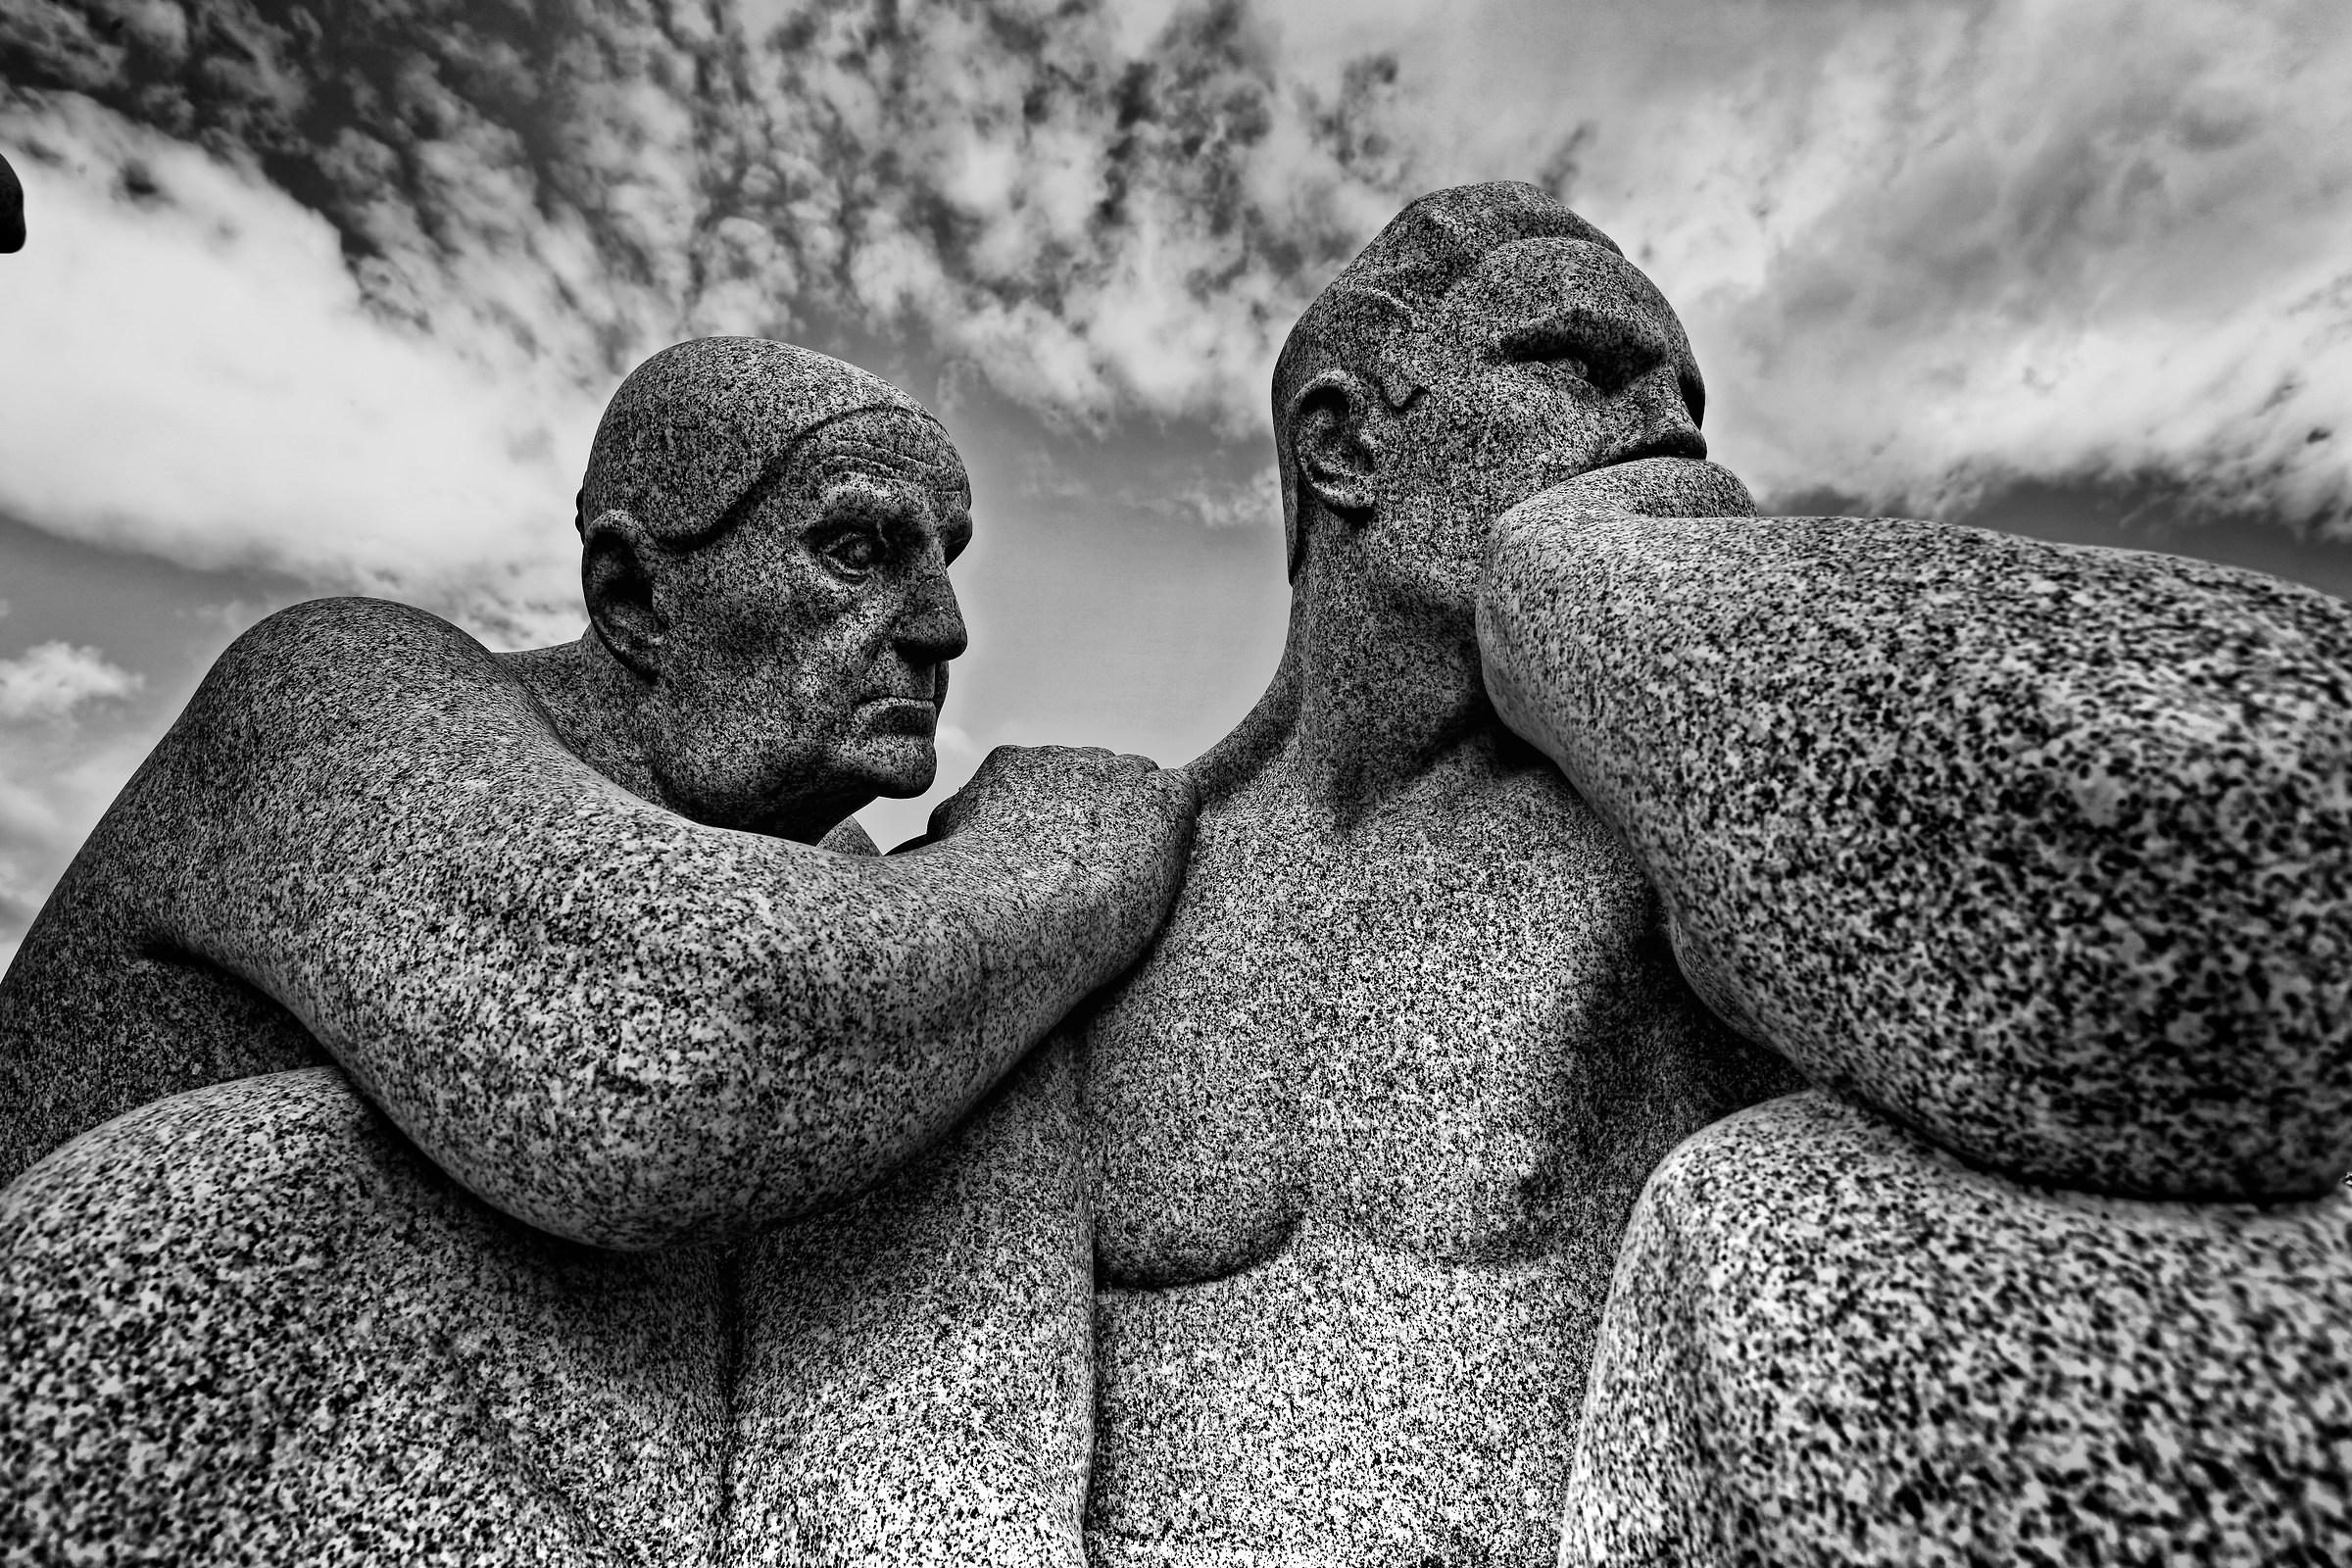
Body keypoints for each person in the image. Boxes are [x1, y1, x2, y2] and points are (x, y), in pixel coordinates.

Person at [1078, 180, 2352, 1565]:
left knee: (1789, 1227)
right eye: (1587, 367)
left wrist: (1604, 582)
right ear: (1345, 446)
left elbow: (2258, 881)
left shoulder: (1679, 834)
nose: (1674, 426)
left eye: (1688, 391)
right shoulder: (1116, 878)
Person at [0, 337, 1192, 1563]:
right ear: (634, 596)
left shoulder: (855, 890)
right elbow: (661, 1050)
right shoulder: (331, 702)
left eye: (946, 563)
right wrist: (1060, 867)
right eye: (855, 554)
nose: (939, 630)